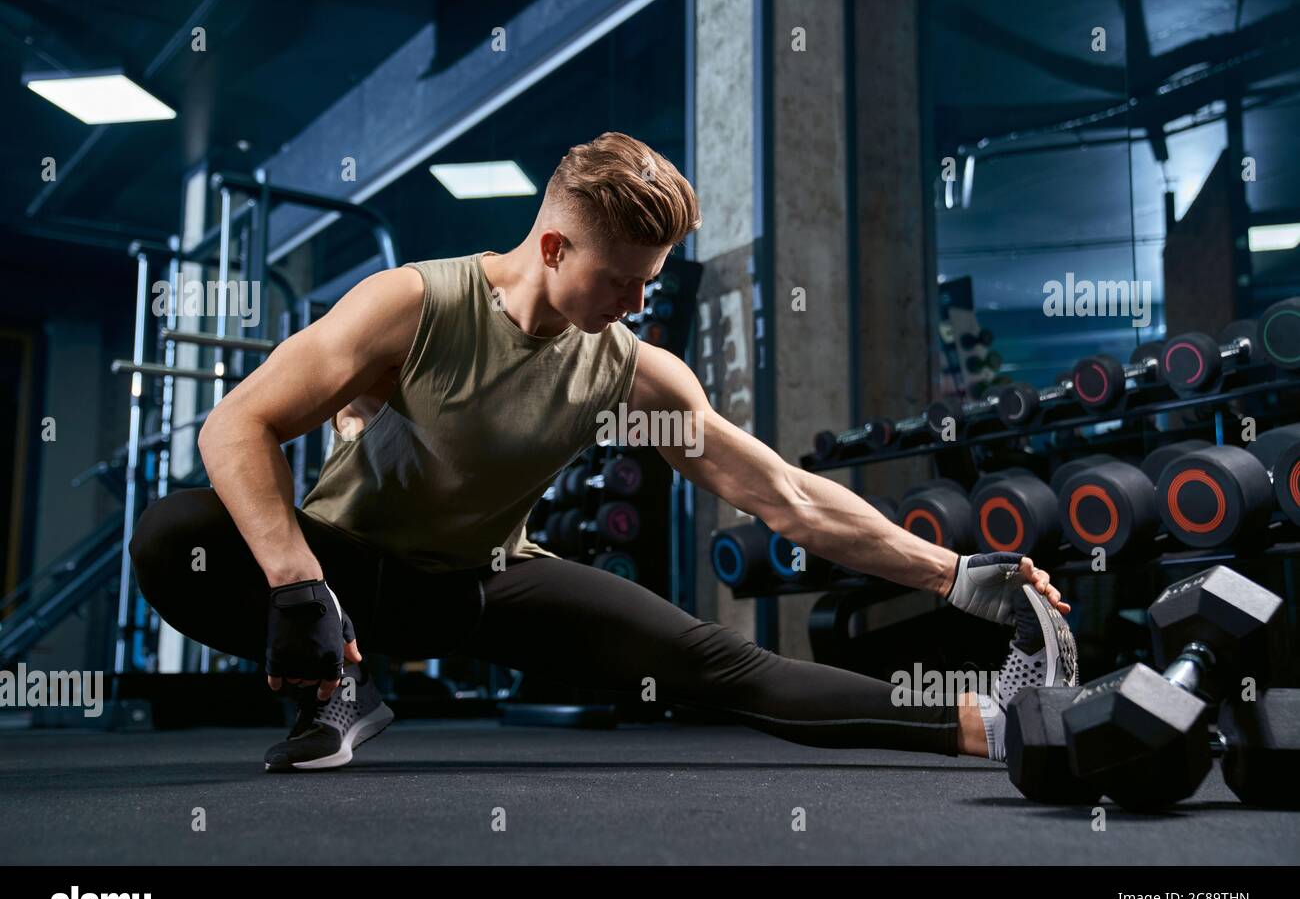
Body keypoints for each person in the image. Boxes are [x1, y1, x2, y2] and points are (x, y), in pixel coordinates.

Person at [129, 131, 1075, 773]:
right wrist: (298, 585)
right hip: (349, 577)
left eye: (648, 286)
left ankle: (989, 724)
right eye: (619, 281)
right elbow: (233, 424)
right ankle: (343, 689)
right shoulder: (411, 304)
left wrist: (956, 574)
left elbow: (785, 494)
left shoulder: (633, 371)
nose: (634, 307)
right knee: (174, 534)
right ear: (551, 247)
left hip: (482, 585)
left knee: (715, 662)